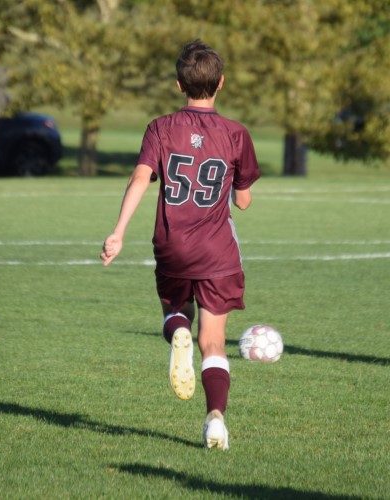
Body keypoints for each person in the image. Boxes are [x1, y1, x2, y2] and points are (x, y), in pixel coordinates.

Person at [101, 39, 260, 450]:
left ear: (178, 84)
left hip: (172, 246)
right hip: (217, 252)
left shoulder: (160, 128)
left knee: (175, 315)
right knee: (214, 341)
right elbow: (243, 202)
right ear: (221, 83)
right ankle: (215, 420)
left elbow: (140, 178)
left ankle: (177, 333)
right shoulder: (236, 134)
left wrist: (118, 231)